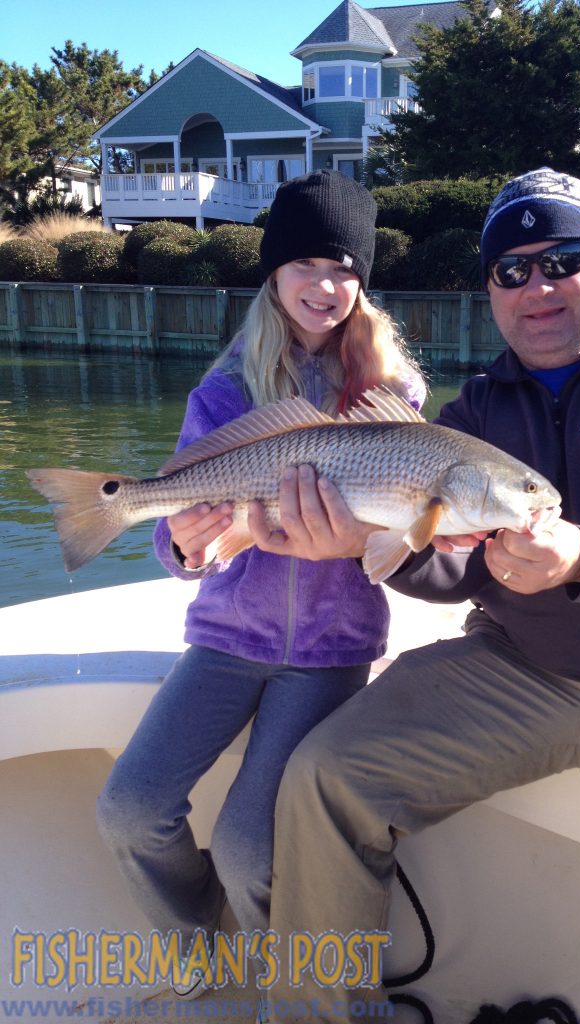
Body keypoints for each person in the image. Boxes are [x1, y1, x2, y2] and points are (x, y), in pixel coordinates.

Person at [260, 167, 580, 1023]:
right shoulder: (475, 415)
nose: (536, 285)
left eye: (562, 257)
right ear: (491, 289)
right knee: (324, 776)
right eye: (511, 269)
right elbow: (453, 568)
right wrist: (359, 547)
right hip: (518, 665)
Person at [95, 169, 426, 998]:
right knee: (130, 810)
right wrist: (184, 539)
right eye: (307, 262)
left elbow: (403, 539)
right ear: (273, 270)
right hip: (224, 642)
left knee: (254, 847)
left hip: (331, 653)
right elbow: (190, 553)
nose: (328, 284)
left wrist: (358, 543)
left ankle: (301, 990)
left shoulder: (396, 396)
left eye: (347, 267)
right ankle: (204, 942)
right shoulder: (223, 391)